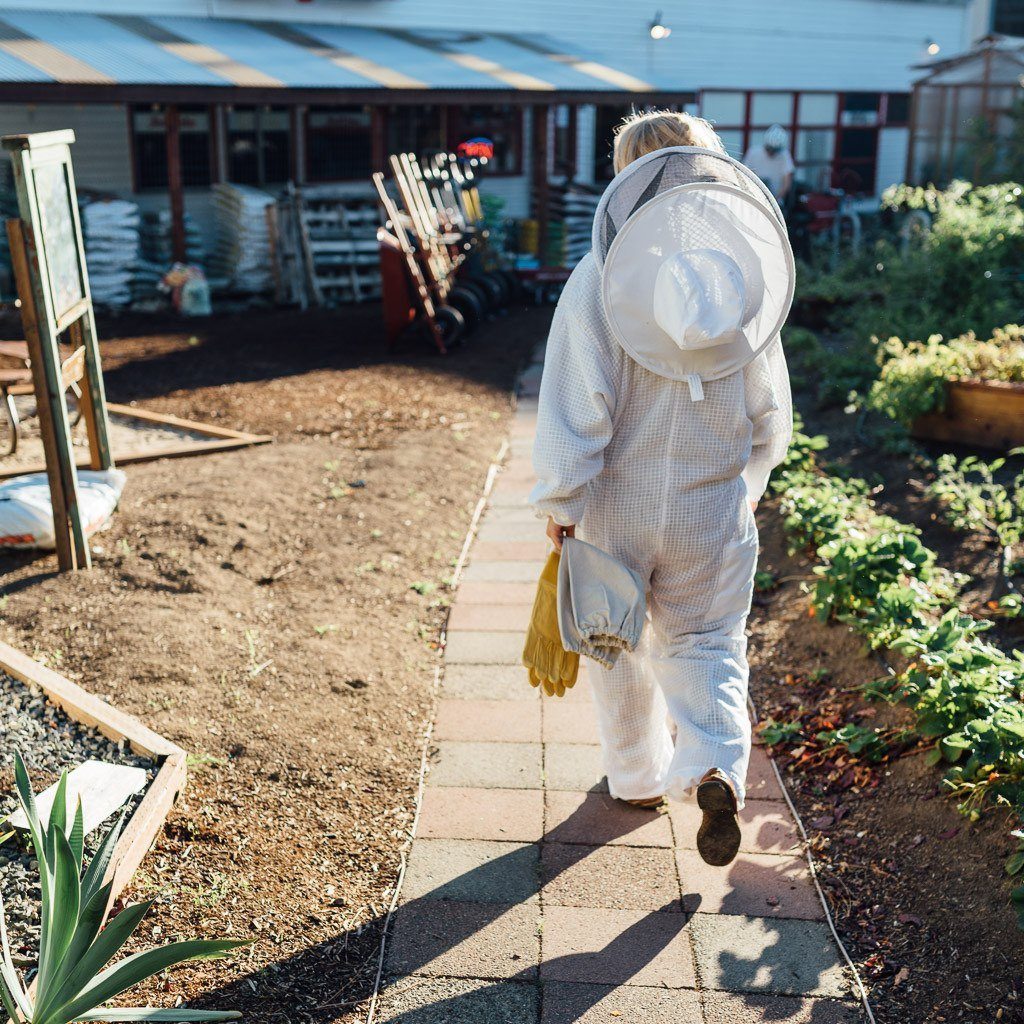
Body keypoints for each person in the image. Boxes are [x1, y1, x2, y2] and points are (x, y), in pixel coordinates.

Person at [530, 110, 794, 867]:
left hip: (616, 504)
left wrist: (561, 504)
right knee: (707, 640)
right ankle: (712, 766)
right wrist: (754, 476)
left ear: (624, 178)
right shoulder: (747, 274)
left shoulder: (600, 280)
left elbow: (578, 403)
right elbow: (768, 404)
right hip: (710, 502)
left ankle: (637, 776)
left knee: (613, 642)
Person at [743, 123, 795, 202]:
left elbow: (787, 182)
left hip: (775, 198)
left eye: (774, 151)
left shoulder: (784, 156)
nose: (771, 153)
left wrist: (776, 199)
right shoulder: (753, 152)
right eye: (769, 149)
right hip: (754, 196)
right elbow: (745, 174)